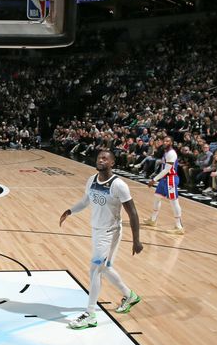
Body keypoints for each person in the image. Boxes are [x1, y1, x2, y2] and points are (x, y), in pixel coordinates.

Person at [59, 151, 144, 329]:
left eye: (105, 158)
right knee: (104, 268)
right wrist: (70, 211)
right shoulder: (91, 180)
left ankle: (90, 314)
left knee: (95, 269)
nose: (101, 160)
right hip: (97, 231)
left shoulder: (119, 185)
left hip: (110, 232)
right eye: (99, 157)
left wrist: (136, 240)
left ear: (112, 162)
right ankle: (130, 296)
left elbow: (133, 213)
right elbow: (85, 201)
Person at [142, 136, 184, 235]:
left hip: (171, 179)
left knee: (174, 202)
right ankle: (153, 220)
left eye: (167, 141)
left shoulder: (172, 153)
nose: (165, 142)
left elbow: (167, 170)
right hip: (165, 179)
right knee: (157, 197)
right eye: (164, 141)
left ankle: (179, 227)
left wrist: (154, 180)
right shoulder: (166, 152)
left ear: (171, 143)